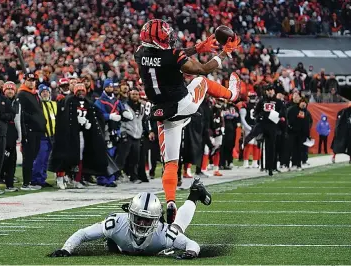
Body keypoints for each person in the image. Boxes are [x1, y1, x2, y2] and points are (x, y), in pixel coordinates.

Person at [134, 19, 241, 223]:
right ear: (157, 40)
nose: (170, 38)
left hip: (162, 113)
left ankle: (171, 202)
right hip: (183, 104)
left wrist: (195, 48)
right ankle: (232, 95)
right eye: (165, 36)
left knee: (171, 163)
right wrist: (225, 52)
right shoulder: (172, 55)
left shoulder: (139, 52)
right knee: (201, 81)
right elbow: (201, 68)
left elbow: (169, 58)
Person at [49, 177, 211, 259]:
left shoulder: (164, 234)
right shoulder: (116, 223)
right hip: (121, 243)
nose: (141, 223)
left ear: (156, 221)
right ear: (130, 214)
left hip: (154, 240)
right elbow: (83, 233)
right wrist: (66, 249)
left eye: (147, 220)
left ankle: (194, 194)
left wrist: (191, 252)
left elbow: (192, 244)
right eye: (138, 218)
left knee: (176, 228)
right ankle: (195, 193)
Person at [245, 86, 286, 176]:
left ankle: (269, 168)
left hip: (272, 126)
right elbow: (256, 112)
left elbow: (283, 113)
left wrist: (278, 117)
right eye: (268, 90)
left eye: (271, 90)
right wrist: (259, 116)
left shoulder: (278, 102)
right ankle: (246, 140)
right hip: (263, 123)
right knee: (255, 130)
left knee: (270, 148)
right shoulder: (262, 101)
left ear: (274, 91)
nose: (270, 92)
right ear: (266, 92)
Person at [16, 73, 47, 190]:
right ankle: (26, 183)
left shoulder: (34, 94)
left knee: (33, 156)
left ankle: (29, 181)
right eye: (29, 80)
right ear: (25, 81)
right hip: (29, 130)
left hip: (37, 129)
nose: (31, 82)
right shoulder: (22, 94)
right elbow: (21, 113)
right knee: (28, 157)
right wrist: (26, 129)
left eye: (33, 80)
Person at [31, 84, 56, 187]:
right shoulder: (37, 105)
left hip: (51, 135)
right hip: (42, 135)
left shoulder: (54, 104)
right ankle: (35, 179)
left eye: (47, 92)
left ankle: (42, 179)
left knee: (45, 159)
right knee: (40, 158)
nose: (45, 93)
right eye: (43, 92)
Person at [0, 81, 21, 192]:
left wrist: (20, 135)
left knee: (12, 161)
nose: (9, 91)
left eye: (12, 89)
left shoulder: (17, 103)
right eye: (7, 89)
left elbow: (18, 120)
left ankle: (10, 184)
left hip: (12, 134)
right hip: (2, 134)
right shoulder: (0, 101)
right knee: (1, 160)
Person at [239, 92, 259, 168]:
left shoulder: (258, 106)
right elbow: (242, 119)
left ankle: (255, 162)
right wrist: (248, 127)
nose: (253, 98)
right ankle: (246, 162)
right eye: (251, 96)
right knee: (249, 144)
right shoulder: (245, 106)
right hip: (249, 127)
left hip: (256, 127)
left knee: (256, 144)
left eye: (254, 96)